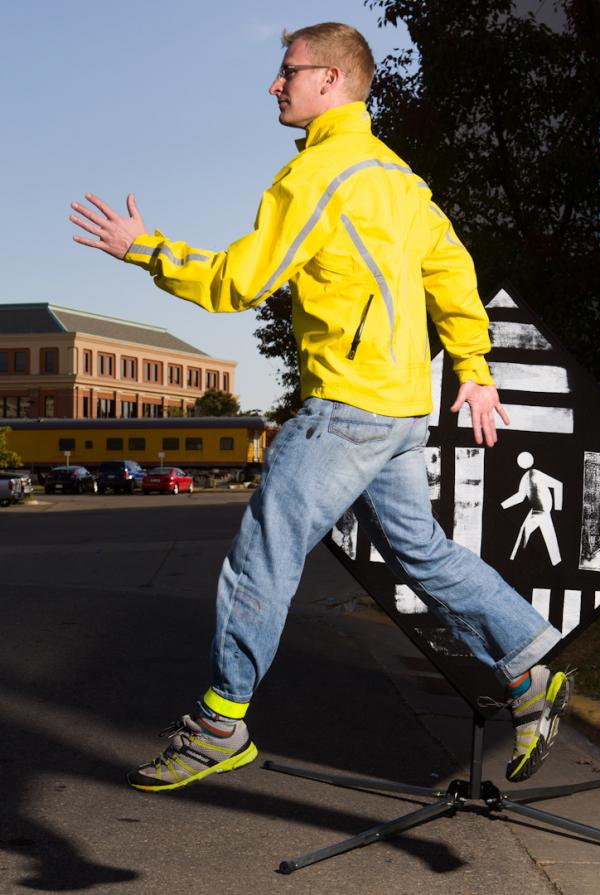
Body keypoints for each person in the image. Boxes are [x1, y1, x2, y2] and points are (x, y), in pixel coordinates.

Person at [70, 22, 569, 792]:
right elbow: (454, 272)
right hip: (401, 411)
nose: (276, 83)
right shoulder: (399, 177)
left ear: (330, 80)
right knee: (422, 553)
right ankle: (531, 672)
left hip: (348, 406)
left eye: (287, 71)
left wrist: (146, 249)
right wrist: (471, 367)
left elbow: (240, 279)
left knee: (262, 553)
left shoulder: (321, 173)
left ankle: (218, 722)